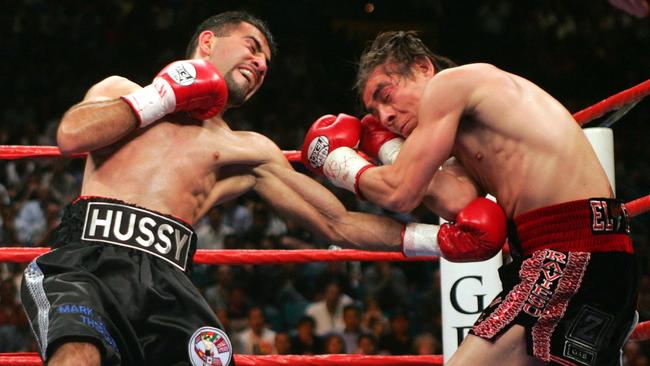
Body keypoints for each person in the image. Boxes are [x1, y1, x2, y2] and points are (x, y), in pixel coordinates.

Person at [19, 12, 466, 366]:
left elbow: (338, 223)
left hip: (166, 285)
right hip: (87, 262)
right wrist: (163, 96)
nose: (259, 64)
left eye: (266, 65)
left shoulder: (245, 150)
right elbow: (71, 135)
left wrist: (441, 240)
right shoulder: (122, 90)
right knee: (78, 354)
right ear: (208, 42)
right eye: (252, 48)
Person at [301, 30, 638, 365]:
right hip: (585, 254)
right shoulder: (474, 129)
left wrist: (337, 161)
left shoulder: (450, 85)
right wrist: (387, 147)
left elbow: (401, 192)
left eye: (386, 95)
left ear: (421, 67)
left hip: (568, 254)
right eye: (374, 113)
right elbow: (454, 199)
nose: (384, 116)